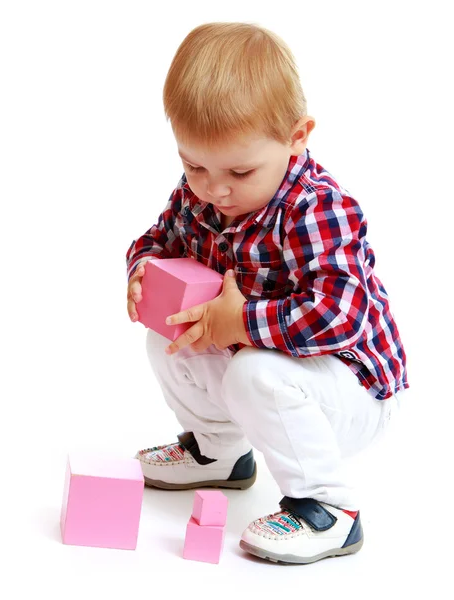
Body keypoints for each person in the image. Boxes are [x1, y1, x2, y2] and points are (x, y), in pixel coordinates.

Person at [126, 22, 408, 564]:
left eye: (239, 169)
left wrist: (242, 323)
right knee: (168, 338)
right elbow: (156, 239)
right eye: (194, 164)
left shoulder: (316, 208)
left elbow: (340, 314)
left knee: (255, 370)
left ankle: (329, 510)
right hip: (269, 375)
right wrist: (143, 270)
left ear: (298, 136)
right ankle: (219, 454)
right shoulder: (201, 193)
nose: (215, 189)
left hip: (346, 388)